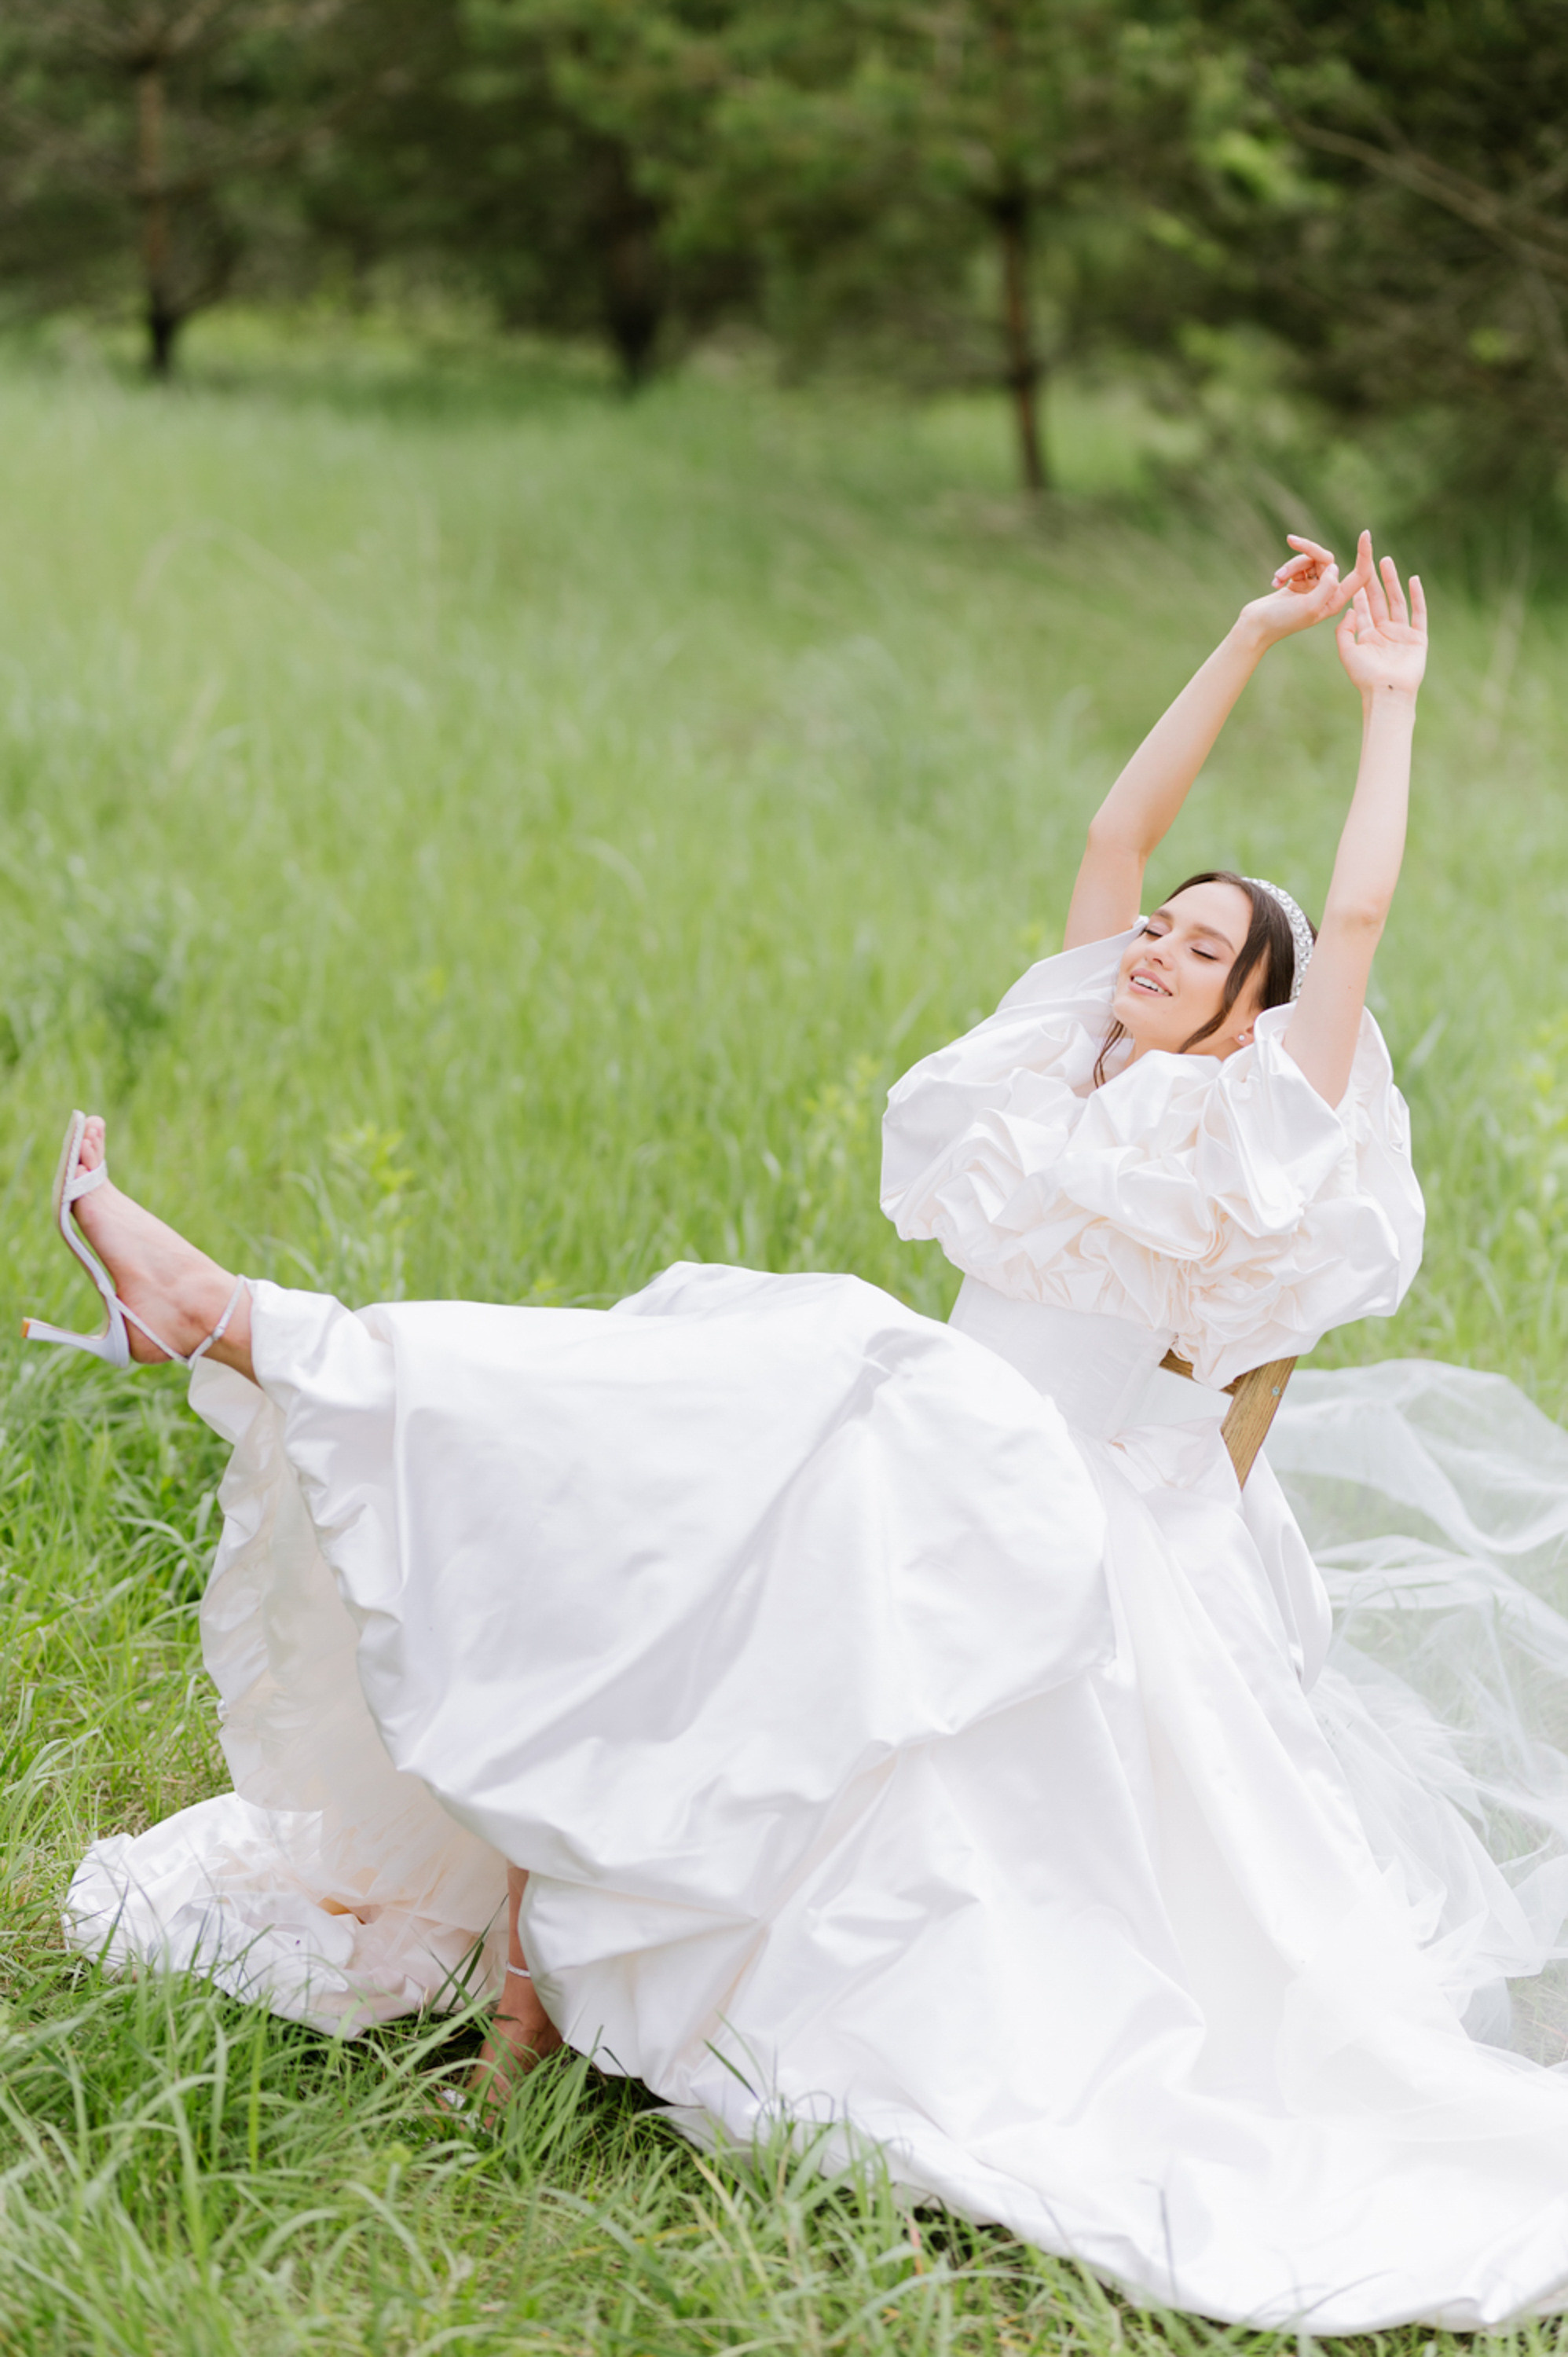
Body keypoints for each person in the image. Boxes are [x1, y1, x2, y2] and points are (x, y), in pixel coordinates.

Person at [36, 533, 1568, 2332]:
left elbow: (1358, 923)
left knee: (706, 1495)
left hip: (1028, 1494)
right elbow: (1107, 839)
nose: (1154, 942)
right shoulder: (1069, 1064)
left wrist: (1381, 707)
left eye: (1203, 946)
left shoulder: (1248, 1133)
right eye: (1162, 928)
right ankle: (252, 1343)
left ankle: (231, 1325)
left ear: (1254, 1015)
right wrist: (1239, 637)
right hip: (909, 1429)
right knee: (631, 1518)